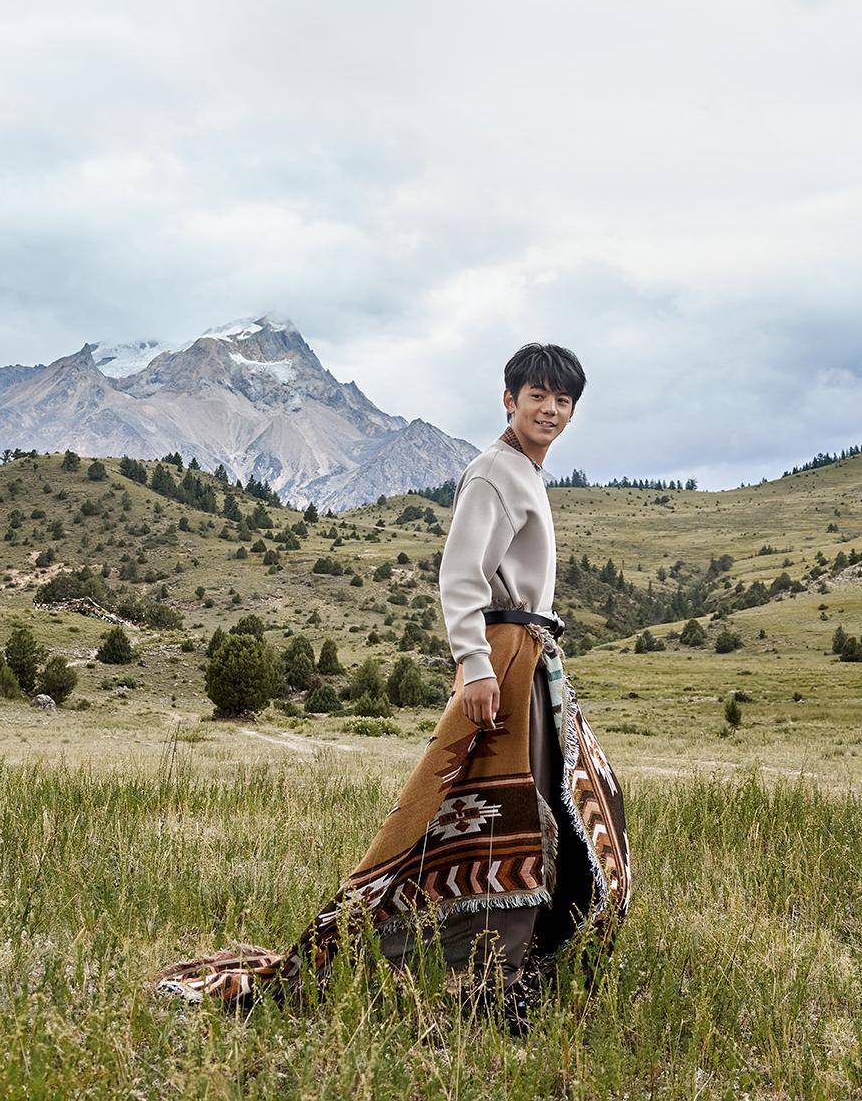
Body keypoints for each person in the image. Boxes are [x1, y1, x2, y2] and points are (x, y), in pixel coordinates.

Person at [156, 343, 631, 1030]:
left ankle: (510, 971)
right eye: (538, 395)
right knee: (503, 822)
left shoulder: (525, 473)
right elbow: (461, 576)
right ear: (509, 399)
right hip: (502, 659)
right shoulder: (495, 472)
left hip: (528, 660)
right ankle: (482, 984)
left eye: (563, 399)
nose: (551, 409)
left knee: (539, 816)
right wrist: (472, 664)